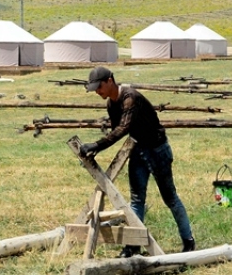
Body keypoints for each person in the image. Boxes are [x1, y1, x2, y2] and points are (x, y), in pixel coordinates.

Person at [75, 66, 195, 255]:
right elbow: (116, 131)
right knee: (137, 200)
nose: (98, 92)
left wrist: (96, 145)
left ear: (110, 80)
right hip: (138, 150)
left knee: (170, 198)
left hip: (157, 150)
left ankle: (188, 241)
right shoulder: (111, 104)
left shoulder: (130, 98)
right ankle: (133, 245)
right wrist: (95, 151)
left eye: (99, 87)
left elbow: (122, 129)